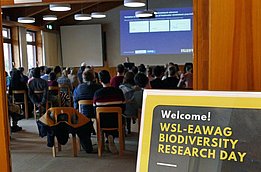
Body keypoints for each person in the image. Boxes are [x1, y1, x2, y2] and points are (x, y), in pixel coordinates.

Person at [93, 70, 125, 154]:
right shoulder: (118, 92)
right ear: (110, 79)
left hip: (102, 123)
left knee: (103, 117)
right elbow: (123, 108)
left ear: (100, 81)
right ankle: (111, 137)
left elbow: (94, 111)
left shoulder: (97, 94)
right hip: (116, 122)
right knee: (116, 116)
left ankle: (107, 138)